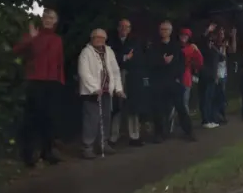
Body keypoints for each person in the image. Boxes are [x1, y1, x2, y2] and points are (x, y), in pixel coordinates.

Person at [13, 9, 64, 167]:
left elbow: (59, 62)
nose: (48, 20)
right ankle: (28, 154)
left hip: (51, 81)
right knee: (32, 117)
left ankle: (47, 151)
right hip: (36, 80)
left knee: (49, 118)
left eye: (52, 18)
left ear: (56, 21)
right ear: (42, 20)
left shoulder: (57, 39)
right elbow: (17, 50)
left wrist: (60, 80)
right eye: (46, 17)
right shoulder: (34, 35)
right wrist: (31, 39)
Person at [78, 28, 125, 159]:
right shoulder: (86, 53)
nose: (99, 40)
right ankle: (87, 147)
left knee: (105, 117)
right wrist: (94, 88)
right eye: (96, 37)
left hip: (106, 90)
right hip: (91, 92)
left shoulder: (109, 51)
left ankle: (103, 143)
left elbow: (115, 71)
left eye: (102, 38)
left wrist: (118, 89)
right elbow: (84, 72)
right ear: (92, 39)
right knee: (91, 119)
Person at [148, 20, 195, 141]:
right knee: (158, 108)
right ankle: (159, 133)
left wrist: (178, 77)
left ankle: (188, 131)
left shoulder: (176, 47)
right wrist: (163, 62)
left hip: (173, 81)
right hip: (159, 81)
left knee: (181, 107)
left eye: (166, 29)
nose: (164, 32)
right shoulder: (154, 46)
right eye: (162, 29)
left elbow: (181, 64)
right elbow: (150, 63)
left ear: (170, 31)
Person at [108, 19, 144, 147]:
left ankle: (134, 136)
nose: (124, 29)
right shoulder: (111, 42)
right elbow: (110, 59)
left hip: (131, 77)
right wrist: (124, 58)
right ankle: (113, 136)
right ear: (118, 28)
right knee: (116, 106)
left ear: (130, 29)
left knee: (132, 106)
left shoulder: (135, 42)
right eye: (122, 26)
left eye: (127, 27)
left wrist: (124, 59)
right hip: (115, 76)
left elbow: (138, 59)